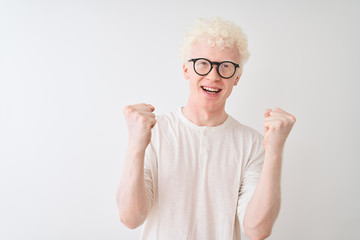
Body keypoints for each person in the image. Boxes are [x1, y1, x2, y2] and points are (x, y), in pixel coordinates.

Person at [116, 17, 296, 240]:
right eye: (203, 63)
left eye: (226, 67)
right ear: (186, 70)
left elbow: (257, 230)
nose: (213, 76)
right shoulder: (152, 131)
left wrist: (275, 152)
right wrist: (135, 145)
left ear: (237, 78)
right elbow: (130, 218)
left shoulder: (251, 143)